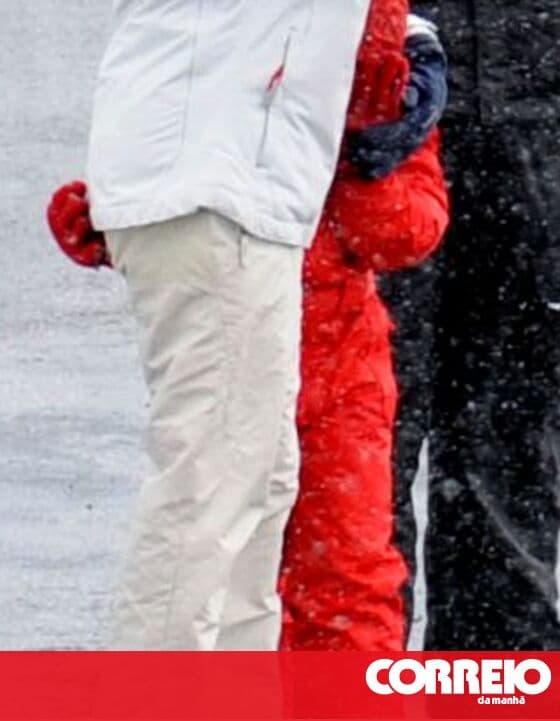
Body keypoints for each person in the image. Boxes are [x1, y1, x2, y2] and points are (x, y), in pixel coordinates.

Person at [46, 1, 371, 650]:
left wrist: (412, 38)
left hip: (232, 176)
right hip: (216, 181)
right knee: (213, 479)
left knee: (256, 475)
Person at [386, 0, 560, 650]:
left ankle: (494, 695)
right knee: (360, 458)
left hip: (534, 141)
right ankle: (343, 694)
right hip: (378, 139)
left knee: (508, 461)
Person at [279, 4, 450, 651]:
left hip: (331, 366)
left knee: (339, 579)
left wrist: (362, 159)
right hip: (263, 351)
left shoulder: (397, 63)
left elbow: (403, 229)